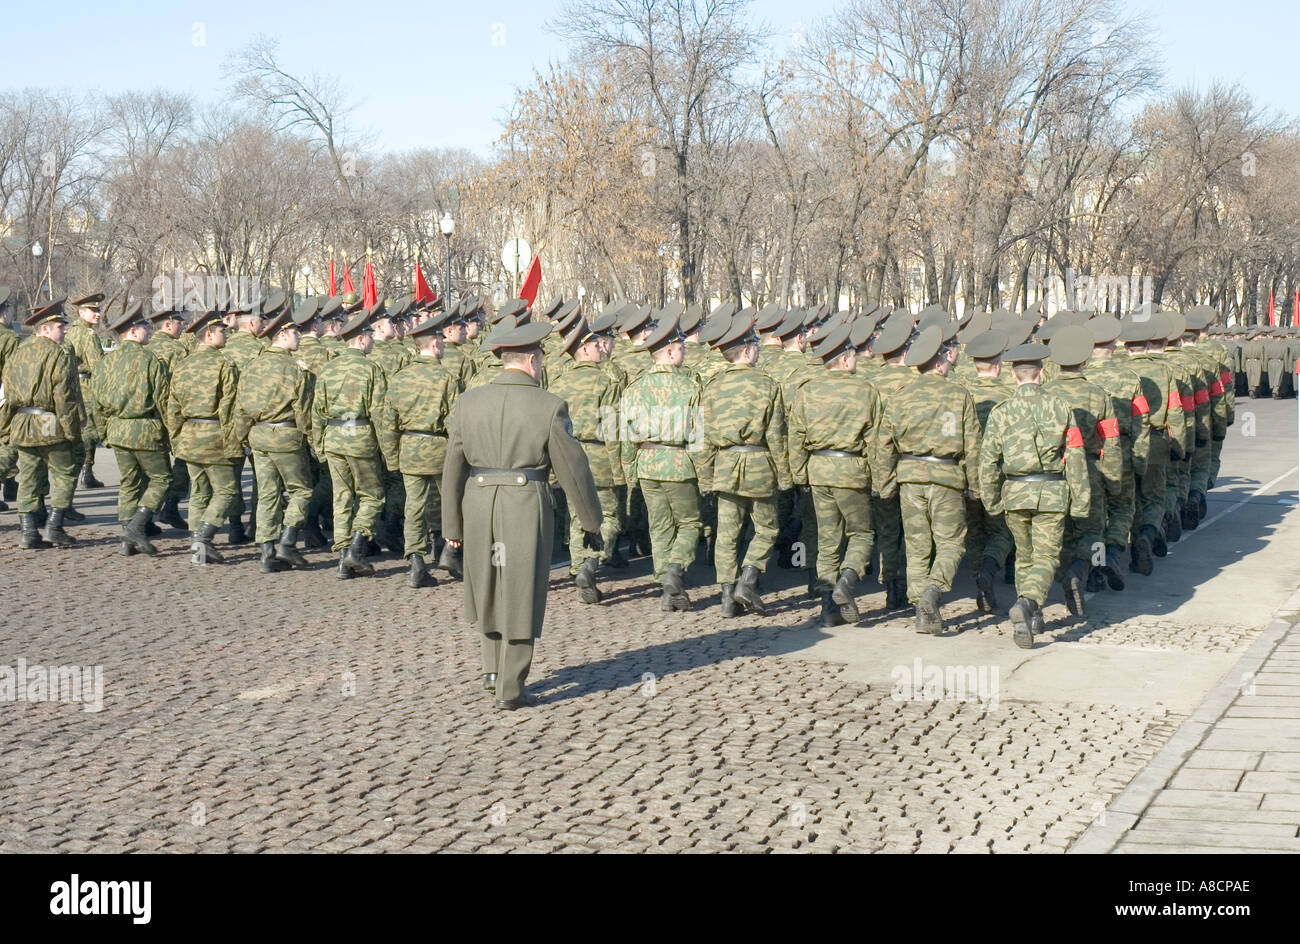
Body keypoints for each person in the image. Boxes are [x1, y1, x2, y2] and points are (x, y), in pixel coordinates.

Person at [441, 320, 602, 710]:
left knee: (488, 584)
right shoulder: (549, 406)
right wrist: (591, 522)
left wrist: (451, 525)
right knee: (521, 589)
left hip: (477, 503)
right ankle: (511, 687)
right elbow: (574, 470)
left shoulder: (469, 402)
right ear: (532, 360)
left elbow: (452, 469)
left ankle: (492, 670)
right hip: (524, 503)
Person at [979, 343, 1091, 649]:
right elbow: (1076, 457)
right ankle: (1028, 604)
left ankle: (1031, 618)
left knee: (1024, 556)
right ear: (1042, 374)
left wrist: (990, 499)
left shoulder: (1000, 412)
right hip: (1052, 492)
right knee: (1046, 557)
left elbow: (987, 459)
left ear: (1014, 377)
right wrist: (1081, 501)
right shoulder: (1061, 408)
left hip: (1015, 492)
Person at [876, 324, 979, 635]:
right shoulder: (959, 394)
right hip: (946, 477)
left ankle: (921, 608)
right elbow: (972, 444)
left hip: (909, 478)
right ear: (938, 362)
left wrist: (885, 483)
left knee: (917, 546)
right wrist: (975, 485)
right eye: (947, 358)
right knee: (951, 544)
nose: (950, 362)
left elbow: (883, 444)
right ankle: (933, 592)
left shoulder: (900, 396)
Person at [787, 322, 888, 627]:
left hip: (819, 471)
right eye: (854, 356)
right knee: (861, 534)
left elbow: (796, 436)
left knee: (827, 539)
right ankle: (847, 579)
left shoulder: (807, 391)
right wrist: (879, 480)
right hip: (852, 471)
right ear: (844, 359)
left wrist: (799, 475)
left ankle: (827, 607)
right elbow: (876, 440)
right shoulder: (866, 390)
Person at [696, 309, 792, 617]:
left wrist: (705, 477)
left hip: (725, 464)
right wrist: (786, 477)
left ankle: (727, 596)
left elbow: (704, 437)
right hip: (759, 464)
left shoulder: (712, 386)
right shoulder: (768, 385)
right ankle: (747, 580)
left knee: (727, 532)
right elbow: (776, 435)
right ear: (748, 351)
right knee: (766, 528)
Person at [618, 312, 703, 611]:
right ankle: (675, 570)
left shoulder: (634, 388)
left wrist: (630, 473)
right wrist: (705, 473)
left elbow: (625, 437)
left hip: (647, 463)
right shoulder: (692, 387)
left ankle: (666, 583)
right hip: (679, 462)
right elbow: (698, 434)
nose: (685, 352)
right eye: (681, 347)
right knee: (691, 523)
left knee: (660, 525)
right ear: (669, 351)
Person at [547, 313, 629, 603]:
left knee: (575, 513)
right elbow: (614, 429)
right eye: (595, 345)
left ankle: (576, 564)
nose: (601, 348)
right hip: (598, 454)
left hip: (567, 454)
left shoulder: (557, 383)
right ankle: (590, 564)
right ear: (582, 350)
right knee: (608, 515)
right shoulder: (606, 382)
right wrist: (621, 471)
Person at [377, 309, 460, 588]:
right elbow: (454, 421)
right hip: (439, 449)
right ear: (435, 344)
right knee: (449, 502)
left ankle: (416, 562)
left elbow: (388, 423)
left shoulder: (400, 378)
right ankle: (449, 551)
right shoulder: (446, 378)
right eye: (443, 342)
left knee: (414, 507)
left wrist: (392, 458)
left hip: (410, 448)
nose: (445, 346)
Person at [1043, 324, 1122, 617]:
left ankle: (1067, 574)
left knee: (1061, 528)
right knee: (1092, 529)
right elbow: (1110, 442)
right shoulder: (1098, 395)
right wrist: (1113, 479)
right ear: (1084, 361)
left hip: (1053, 470)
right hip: (1089, 468)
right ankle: (1085, 572)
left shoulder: (1044, 392)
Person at [234, 308, 315, 573]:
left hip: (259, 436)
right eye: (295, 332)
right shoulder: (294, 368)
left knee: (267, 494)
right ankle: (288, 542)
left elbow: (241, 407)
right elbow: (303, 410)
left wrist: (243, 436)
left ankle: (267, 552)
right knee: (301, 491)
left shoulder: (253, 366)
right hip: (286, 436)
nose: (299, 337)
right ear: (282, 335)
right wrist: (311, 439)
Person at [311, 309, 388, 578]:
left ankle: (343, 558)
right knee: (372, 496)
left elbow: (317, 410)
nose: (373, 339)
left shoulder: (328, 369)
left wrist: (319, 445)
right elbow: (379, 413)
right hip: (360, 438)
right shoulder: (371, 369)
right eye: (370, 334)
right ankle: (356, 549)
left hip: (333, 438)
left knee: (341, 497)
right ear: (360, 339)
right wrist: (388, 449)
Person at [0, 298, 82, 548]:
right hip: (49, 423)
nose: (65, 330)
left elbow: (9, 394)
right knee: (65, 474)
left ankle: (28, 532)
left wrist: (5, 427)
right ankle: (55, 526)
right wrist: (72, 431)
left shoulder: (18, 352)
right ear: (44, 328)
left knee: (28, 477)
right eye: (60, 326)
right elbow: (64, 397)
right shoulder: (59, 354)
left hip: (23, 422)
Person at [94, 300, 173, 556]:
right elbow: (163, 400)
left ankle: (127, 539)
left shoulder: (106, 361)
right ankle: (136, 528)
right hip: (146, 429)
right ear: (133, 331)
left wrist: (104, 431)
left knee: (129, 483)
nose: (150, 331)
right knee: (161, 479)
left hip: (118, 428)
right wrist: (174, 433)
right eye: (145, 327)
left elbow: (97, 403)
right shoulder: (150, 359)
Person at [165, 309, 242, 563]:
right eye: (222, 331)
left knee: (199, 491)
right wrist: (235, 441)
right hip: (214, 434)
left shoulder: (183, 365)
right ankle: (204, 538)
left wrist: (176, 438)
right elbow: (230, 406)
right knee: (226, 490)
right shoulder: (224, 364)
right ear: (208, 335)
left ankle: (196, 548)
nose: (226, 335)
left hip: (189, 434)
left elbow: (172, 407)